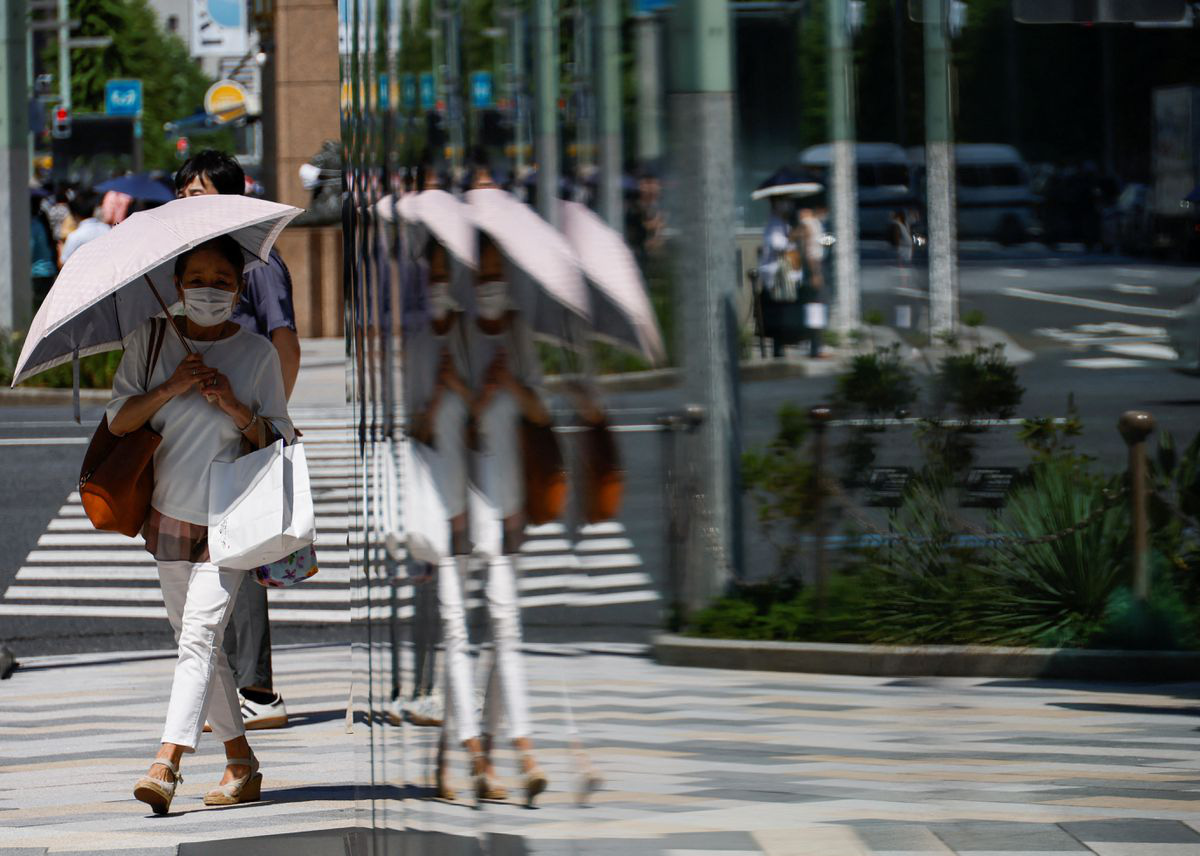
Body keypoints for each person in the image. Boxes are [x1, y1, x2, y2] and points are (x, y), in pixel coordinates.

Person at [109, 236, 294, 814]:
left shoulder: (257, 353)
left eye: (221, 280)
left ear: (239, 289)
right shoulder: (151, 339)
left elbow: (279, 435)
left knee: (198, 635)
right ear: (177, 286)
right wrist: (171, 385)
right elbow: (118, 421)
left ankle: (166, 764)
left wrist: (236, 406)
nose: (208, 290)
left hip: (232, 515)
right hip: (168, 513)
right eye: (197, 278)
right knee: (201, 645)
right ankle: (242, 764)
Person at [175, 150, 300, 729]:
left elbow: (283, 341)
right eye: (181, 192)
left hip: (245, 429)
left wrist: (272, 426)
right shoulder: (188, 262)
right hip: (207, 436)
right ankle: (228, 688)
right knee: (214, 567)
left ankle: (256, 688)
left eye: (196, 193)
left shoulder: (259, 265)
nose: (184, 203)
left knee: (238, 560)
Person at [434, 234, 549, 806]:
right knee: (457, 630)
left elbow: (539, 414)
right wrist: (472, 394)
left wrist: (511, 387)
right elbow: (439, 424)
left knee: (506, 625)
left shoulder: (519, 334)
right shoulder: (451, 336)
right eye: (482, 276)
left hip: (503, 501)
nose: (492, 286)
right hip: (453, 503)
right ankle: (476, 754)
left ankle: (516, 749)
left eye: (500, 274)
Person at [60, 190, 110, 265]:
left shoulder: (74, 236)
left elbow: (63, 263)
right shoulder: (107, 229)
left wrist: (60, 249)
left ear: (74, 214)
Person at [30, 195, 57, 310]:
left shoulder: (33, 225)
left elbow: (29, 252)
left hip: (38, 274)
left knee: (38, 309)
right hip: (48, 272)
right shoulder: (41, 223)